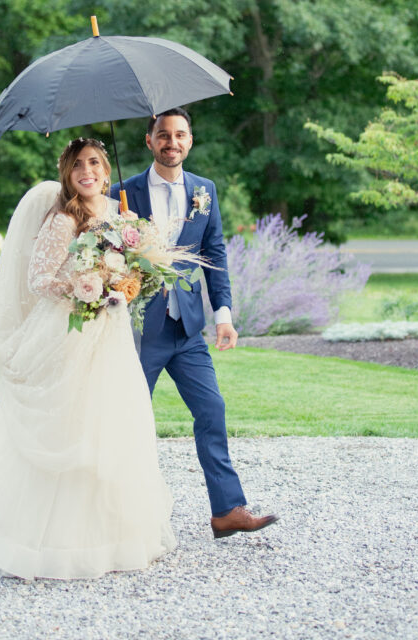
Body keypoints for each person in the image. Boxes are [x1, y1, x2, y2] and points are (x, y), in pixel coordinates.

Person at [0, 138, 176, 579]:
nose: (87, 171)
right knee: (70, 423)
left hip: (109, 336)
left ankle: (113, 536)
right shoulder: (62, 218)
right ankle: (50, 541)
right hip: (70, 334)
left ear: (107, 170)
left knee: (110, 423)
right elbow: (40, 279)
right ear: (66, 173)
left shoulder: (121, 216)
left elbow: (133, 271)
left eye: (95, 163)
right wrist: (88, 287)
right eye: (78, 165)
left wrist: (126, 279)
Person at [111, 108, 277, 539]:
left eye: (180, 134)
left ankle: (227, 510)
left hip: (187, 328)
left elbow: (215, 255)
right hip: (138, 330)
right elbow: (107, 256)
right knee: (126, 418)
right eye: (163, 134)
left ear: (190, 140)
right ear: (149, 140)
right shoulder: (122, 193)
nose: (172, 142)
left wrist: (223, 315)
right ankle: (117, 514)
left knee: (211, 410)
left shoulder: (205, 190)